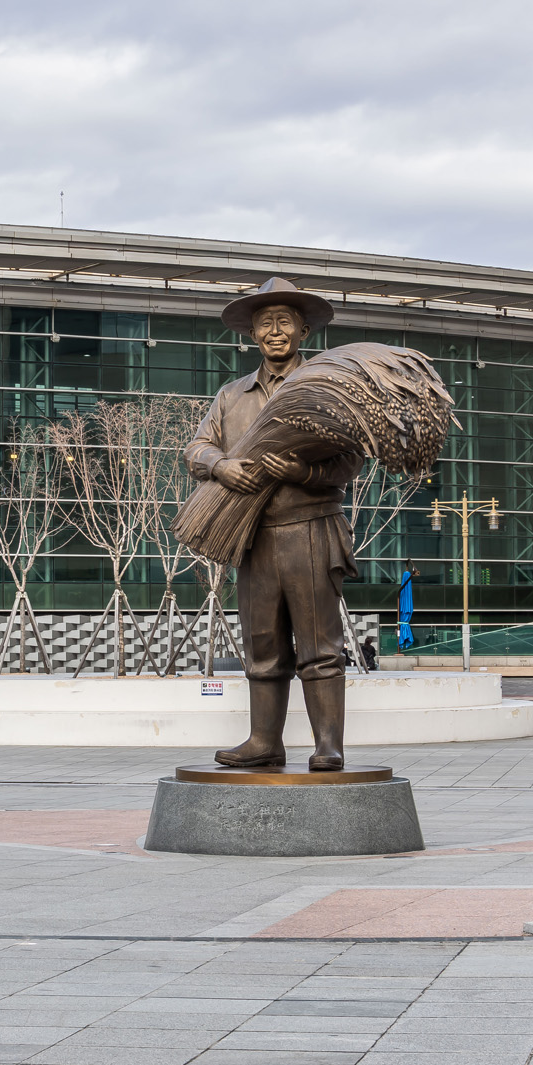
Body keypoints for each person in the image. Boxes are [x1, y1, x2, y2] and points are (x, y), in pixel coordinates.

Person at [185, 278, 360, 770]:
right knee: (261, 642)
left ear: (303, 329)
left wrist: (303, 472)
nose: (275, 331)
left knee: (320, 644)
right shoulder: (231, 396)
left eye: (284, 322)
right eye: (265, 324)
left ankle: (329, 744)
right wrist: (220, 466)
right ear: (252, 335)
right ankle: (265, 741)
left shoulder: (327, 389)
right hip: (253, 535)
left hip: (310, 529)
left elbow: (350, 459)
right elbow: (196, 448)